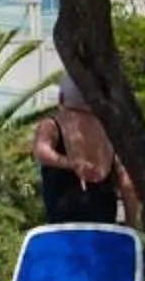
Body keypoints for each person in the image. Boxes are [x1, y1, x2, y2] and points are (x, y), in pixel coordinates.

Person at [32, 79, 137, 225]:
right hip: (103, 218)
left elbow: (41, 150)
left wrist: (70, 164)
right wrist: (131, 223)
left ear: (61, 97)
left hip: (64, 222)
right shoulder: (108, 131)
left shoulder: (53, 124)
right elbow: (126, 184)